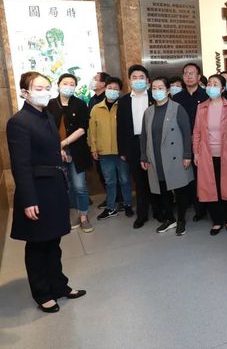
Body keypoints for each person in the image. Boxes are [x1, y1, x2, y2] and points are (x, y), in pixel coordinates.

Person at [8, 71, 86, 313]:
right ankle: (42, 294)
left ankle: (59, 286)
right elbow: (20, 165)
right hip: (36, 191)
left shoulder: (48, 116)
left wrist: (58, 153)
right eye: (38, 89)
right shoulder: (19, 122)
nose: (45, 93)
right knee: (38, 245)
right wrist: (28, 200)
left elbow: (48, 147)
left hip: (54, 187)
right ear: (25, 92)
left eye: (46, 88)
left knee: (53, 242)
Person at [140, 77, 194, 236]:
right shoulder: (148, 112)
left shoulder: (177, 108)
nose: (157, 91)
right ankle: (170, 219)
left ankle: (181, 220)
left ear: (168, 90)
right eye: (154, 88)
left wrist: (187, 155)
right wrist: (143, 156)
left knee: (180, 189)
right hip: (155, 156)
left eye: (160, 88)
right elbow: (144, 136)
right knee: (162, 189)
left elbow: (186, 133)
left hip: (175, 156)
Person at [46, 74, 96, 233]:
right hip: (55, 152)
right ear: (58, 85)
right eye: (65, 83)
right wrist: (58, 148)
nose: (68, 86)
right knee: (64, 186)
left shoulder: (80, 104)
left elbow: (82, 129)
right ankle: (68, 216)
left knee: (79, 186)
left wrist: (64, 143)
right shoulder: (49, 104)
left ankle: (83, 217)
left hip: (76, 150)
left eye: (72, 84)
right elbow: (47, 129)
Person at [193, 74, 227, 235]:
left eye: (215, 84)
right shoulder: (201, 107)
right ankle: (217, 221)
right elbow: (197, 132)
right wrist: (196, 152)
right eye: (209, 84)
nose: (211, 87)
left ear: (222, 88)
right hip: (206, 154)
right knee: (211, 187)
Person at [89, 78, 133, 222]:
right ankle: (110, 207)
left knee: (125, 180)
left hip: (121, 152)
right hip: (104, 152)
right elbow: (92, 130)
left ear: (120, 91)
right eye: (110, 87)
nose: (112, 91)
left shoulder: (123, 106)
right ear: (105, 88)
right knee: (110, 181)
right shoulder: (96, 108)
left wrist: (127, 149)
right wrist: (93, 148)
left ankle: (127, 204)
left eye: (115, 89)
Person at [117, 64, 155, 229]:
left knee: (155, 179)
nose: (138, 80)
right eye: (134, 77)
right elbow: (120, 127)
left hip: (153, 142)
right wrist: (123, 150)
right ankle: (142, 215)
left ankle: (159, 211)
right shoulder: (124, 101)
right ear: (129, 81)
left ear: (147, 80)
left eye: (141, 77)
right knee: (139, 182)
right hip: (133, 144)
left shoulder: (154, 97)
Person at [173, 63, 209, 221]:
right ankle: (195, 206)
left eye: (192, 73)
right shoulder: (177, 98)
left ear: (199, 77)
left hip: (204, 142)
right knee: (189, 175)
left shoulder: (207, 95)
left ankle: (205, 207)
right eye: (186, 73)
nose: (188, 76)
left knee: (204, 175)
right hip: (183, 142)